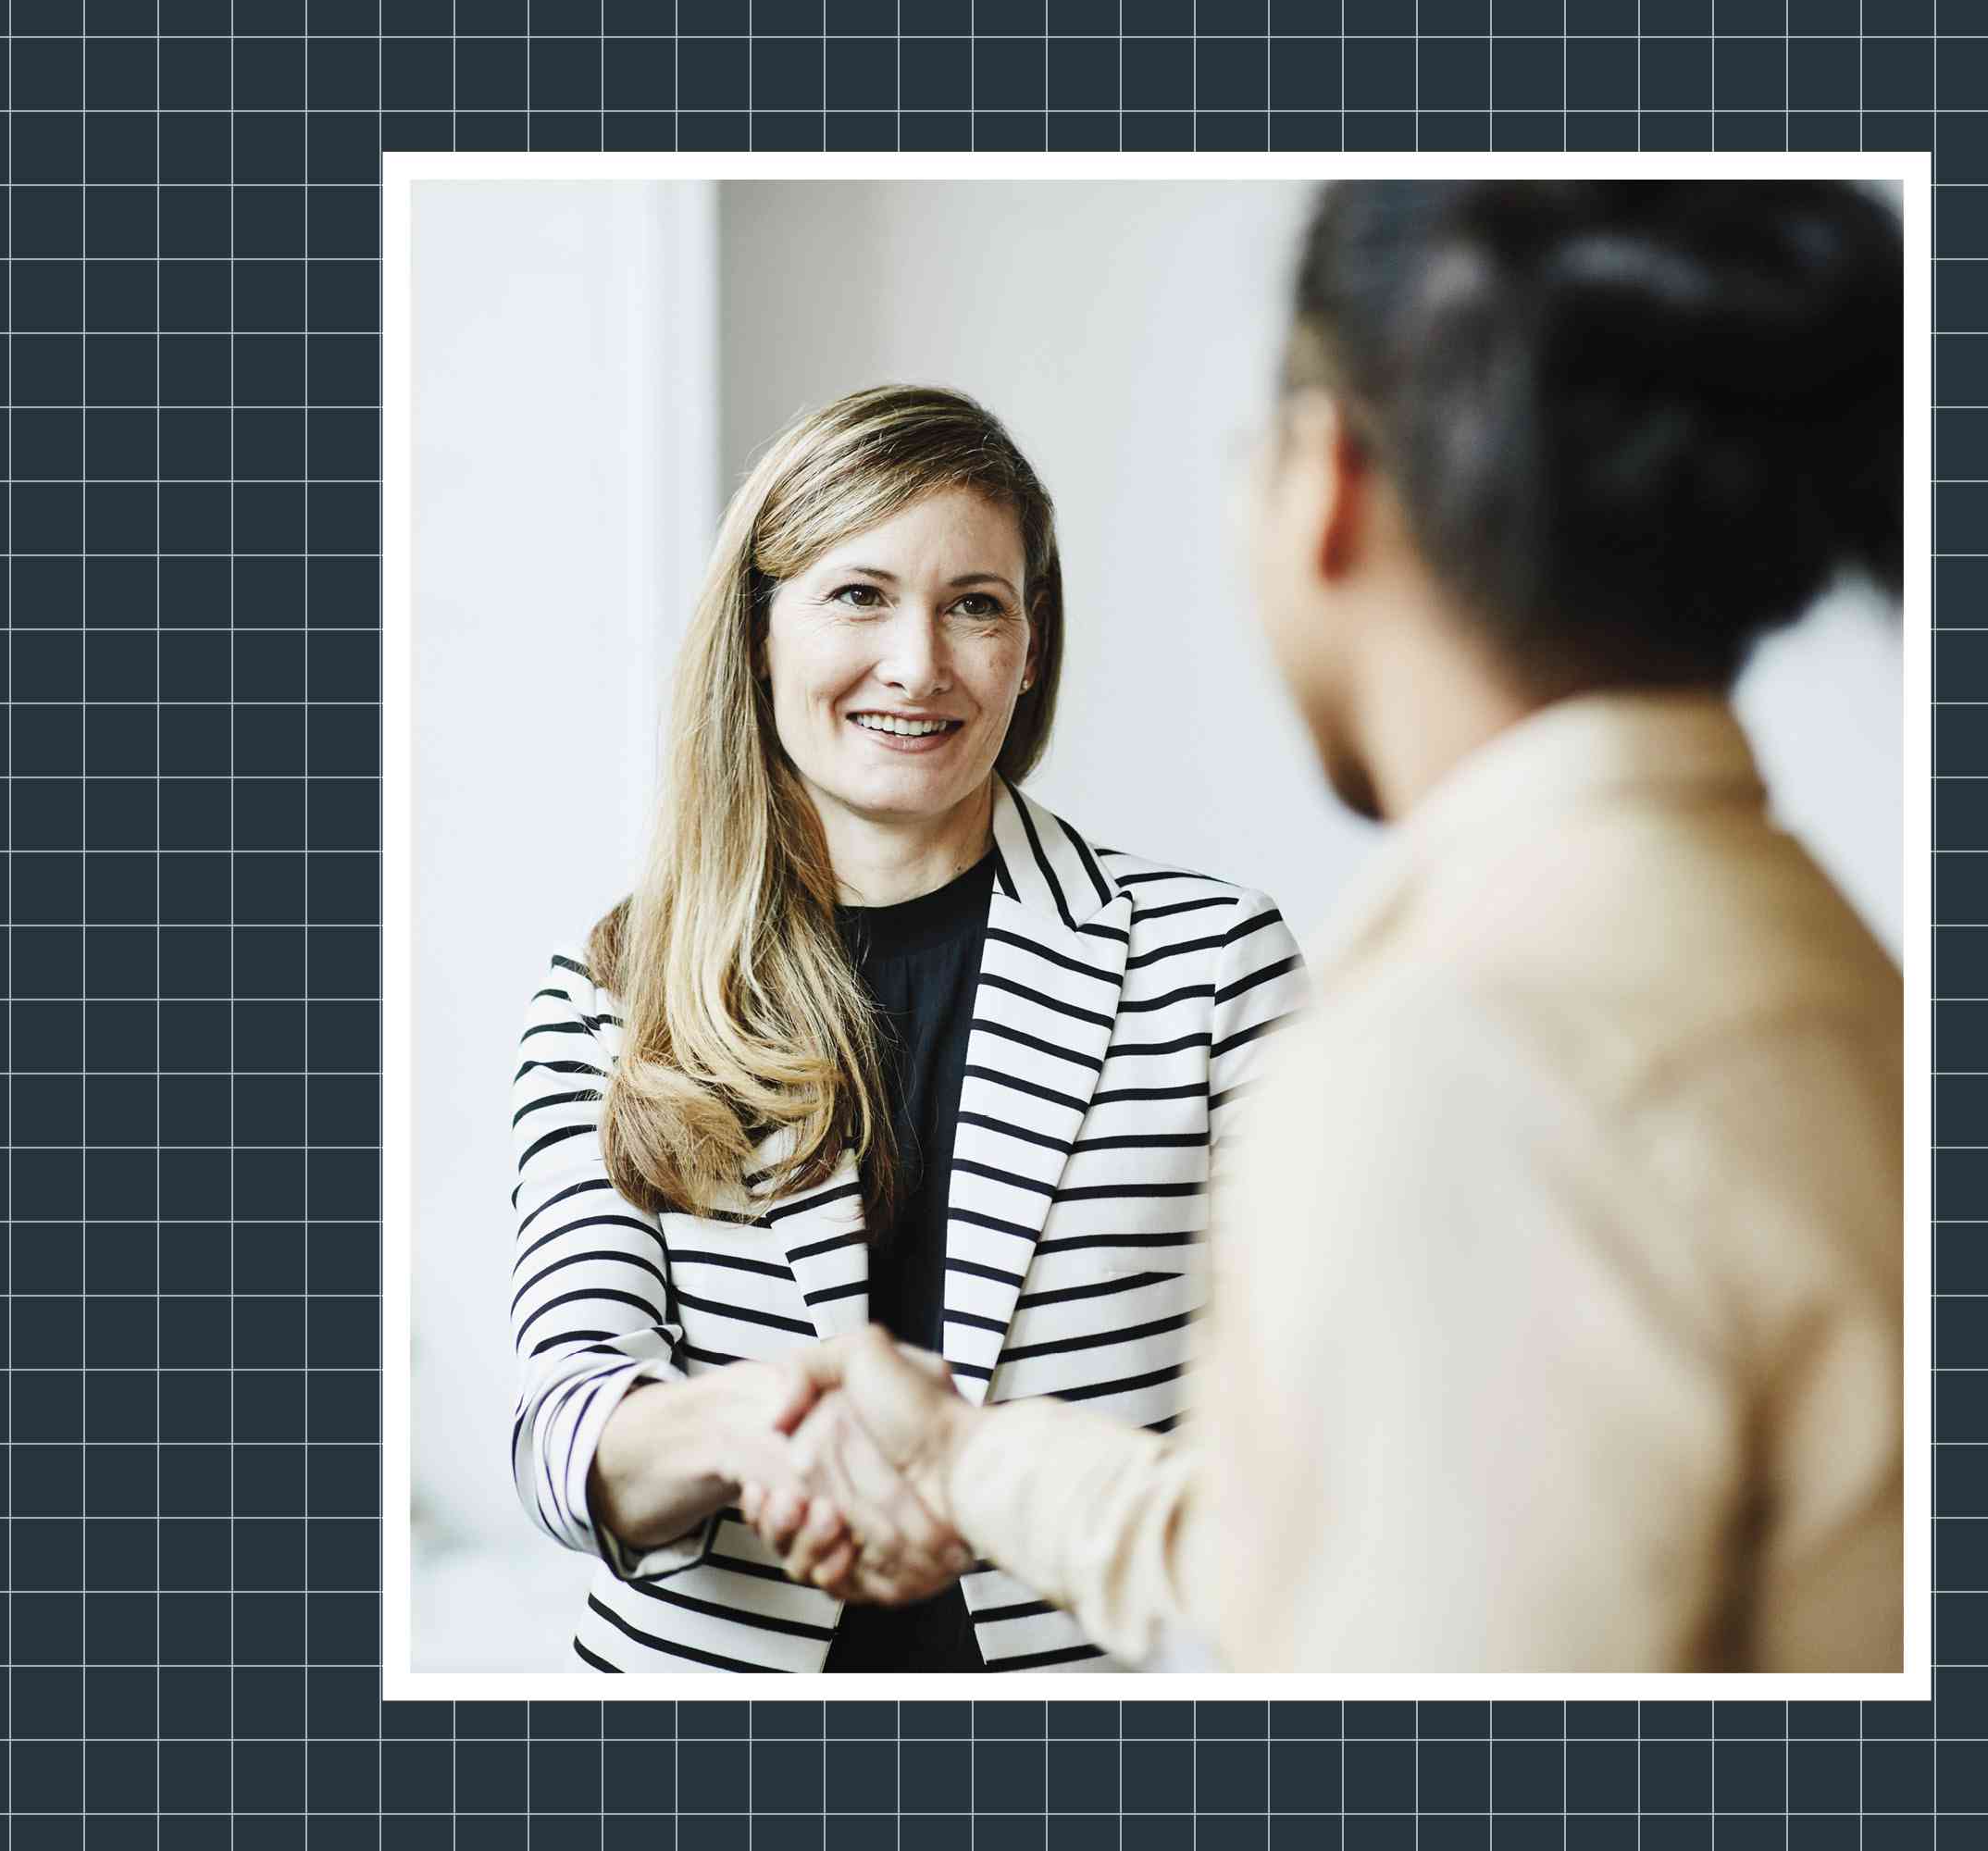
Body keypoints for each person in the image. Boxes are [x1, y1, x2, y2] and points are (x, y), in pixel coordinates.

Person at [763, 180, 1908, 1671]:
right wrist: (977, 1461)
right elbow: (1329, 1559)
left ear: (1326, 481)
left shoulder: (1465, 1057)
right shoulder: (1821, 962)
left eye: (977, 602)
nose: (920, 659)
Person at [507, 385, 1307, 1672]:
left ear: (1030, 647)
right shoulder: (614, 984)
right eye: (860, 596)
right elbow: (564, 1428)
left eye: (974, 606)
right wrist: (761, 1426)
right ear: (759, 631)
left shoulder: (1212, 967)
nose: (918, 664)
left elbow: (1309, 1414)